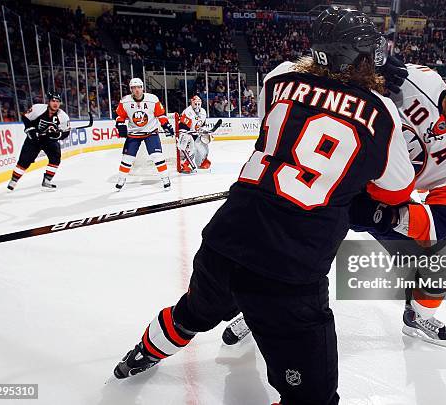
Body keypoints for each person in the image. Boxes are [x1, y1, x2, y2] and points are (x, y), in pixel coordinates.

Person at [113, 7, 415, 405]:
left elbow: (276, 136)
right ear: (356, 55)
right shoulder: (383, 111)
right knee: (312, 399)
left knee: (192, 312)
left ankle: (142, 353)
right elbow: (396, 191)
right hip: (289, 271)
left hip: (225, 240)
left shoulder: (277, 79)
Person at [222, 48, 446, 348]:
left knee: (442, 260)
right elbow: (342, 85)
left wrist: (382, 215)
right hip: (334, 182)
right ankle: (255, 308)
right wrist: (370, 66)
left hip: (384, 202)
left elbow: (441, 220)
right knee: (291, 252)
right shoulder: (417, 81)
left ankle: (418, 315)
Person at [114, 78, 174, 190]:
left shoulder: (152, 99)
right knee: (127, 158)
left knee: (156, 156)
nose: (136, 90)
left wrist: (166, 125)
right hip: (134, 133)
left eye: (138, 87)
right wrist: (120, 124)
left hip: (150, 132)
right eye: (133, 88)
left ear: (142, 88)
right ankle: (121, 179)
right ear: (131, 89)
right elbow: (119, 116)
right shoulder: (125, 101)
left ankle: (165, 178)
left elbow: (160, 115)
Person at [7, 91, 70, 191]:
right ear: (48, 101)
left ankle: (47, 180)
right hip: (34, 139)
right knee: (24, 161)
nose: (55, 103)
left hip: (49, 141)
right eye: (53, 100)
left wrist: (58, 135)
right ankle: (14, 180)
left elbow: (66, 132)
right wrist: (30, 129)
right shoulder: (38, 108)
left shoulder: (63, 116)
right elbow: (25, 117)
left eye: (58, 101)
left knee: (55, 157)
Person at [176, 95, 210, 173]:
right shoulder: (188, 112)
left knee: (204, 147)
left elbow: (203, 125)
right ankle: (183, 164)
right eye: (195, 104)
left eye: (199, 104)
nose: (197, 106)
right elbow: (182, 128)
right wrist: (188, 135)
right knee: (191, 148)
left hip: (196, 134)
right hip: (186, 134)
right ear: (191, 103)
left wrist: (204, 131)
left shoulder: (203, 112)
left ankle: (201, 162)